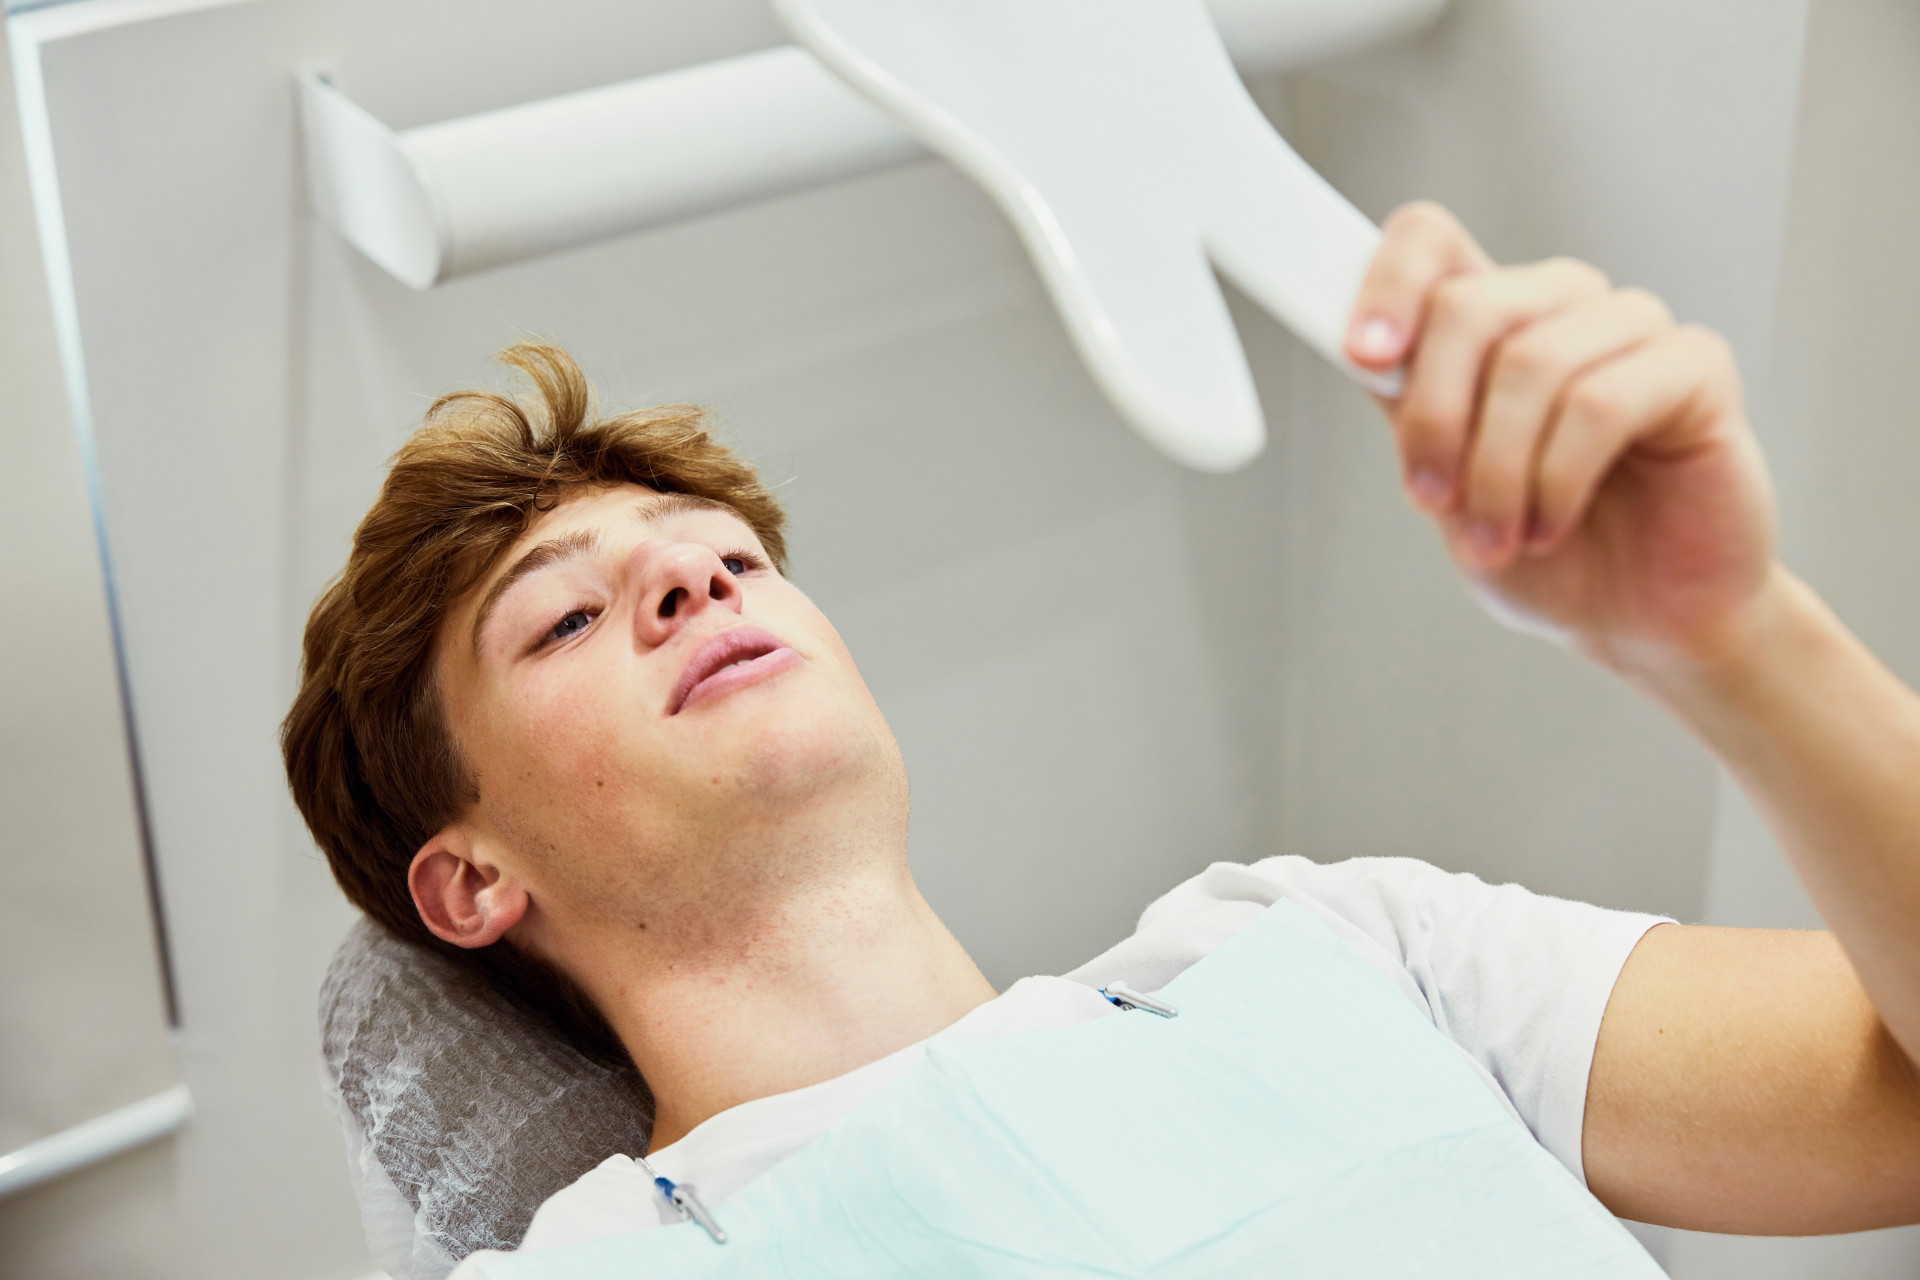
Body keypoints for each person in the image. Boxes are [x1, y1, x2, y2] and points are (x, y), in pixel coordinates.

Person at [284, 202, 1920, 1273]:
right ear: (471, 880)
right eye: (566, 620)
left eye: (726, 557)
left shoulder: (1334, 946)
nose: (693, 579)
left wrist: (1736, 641)